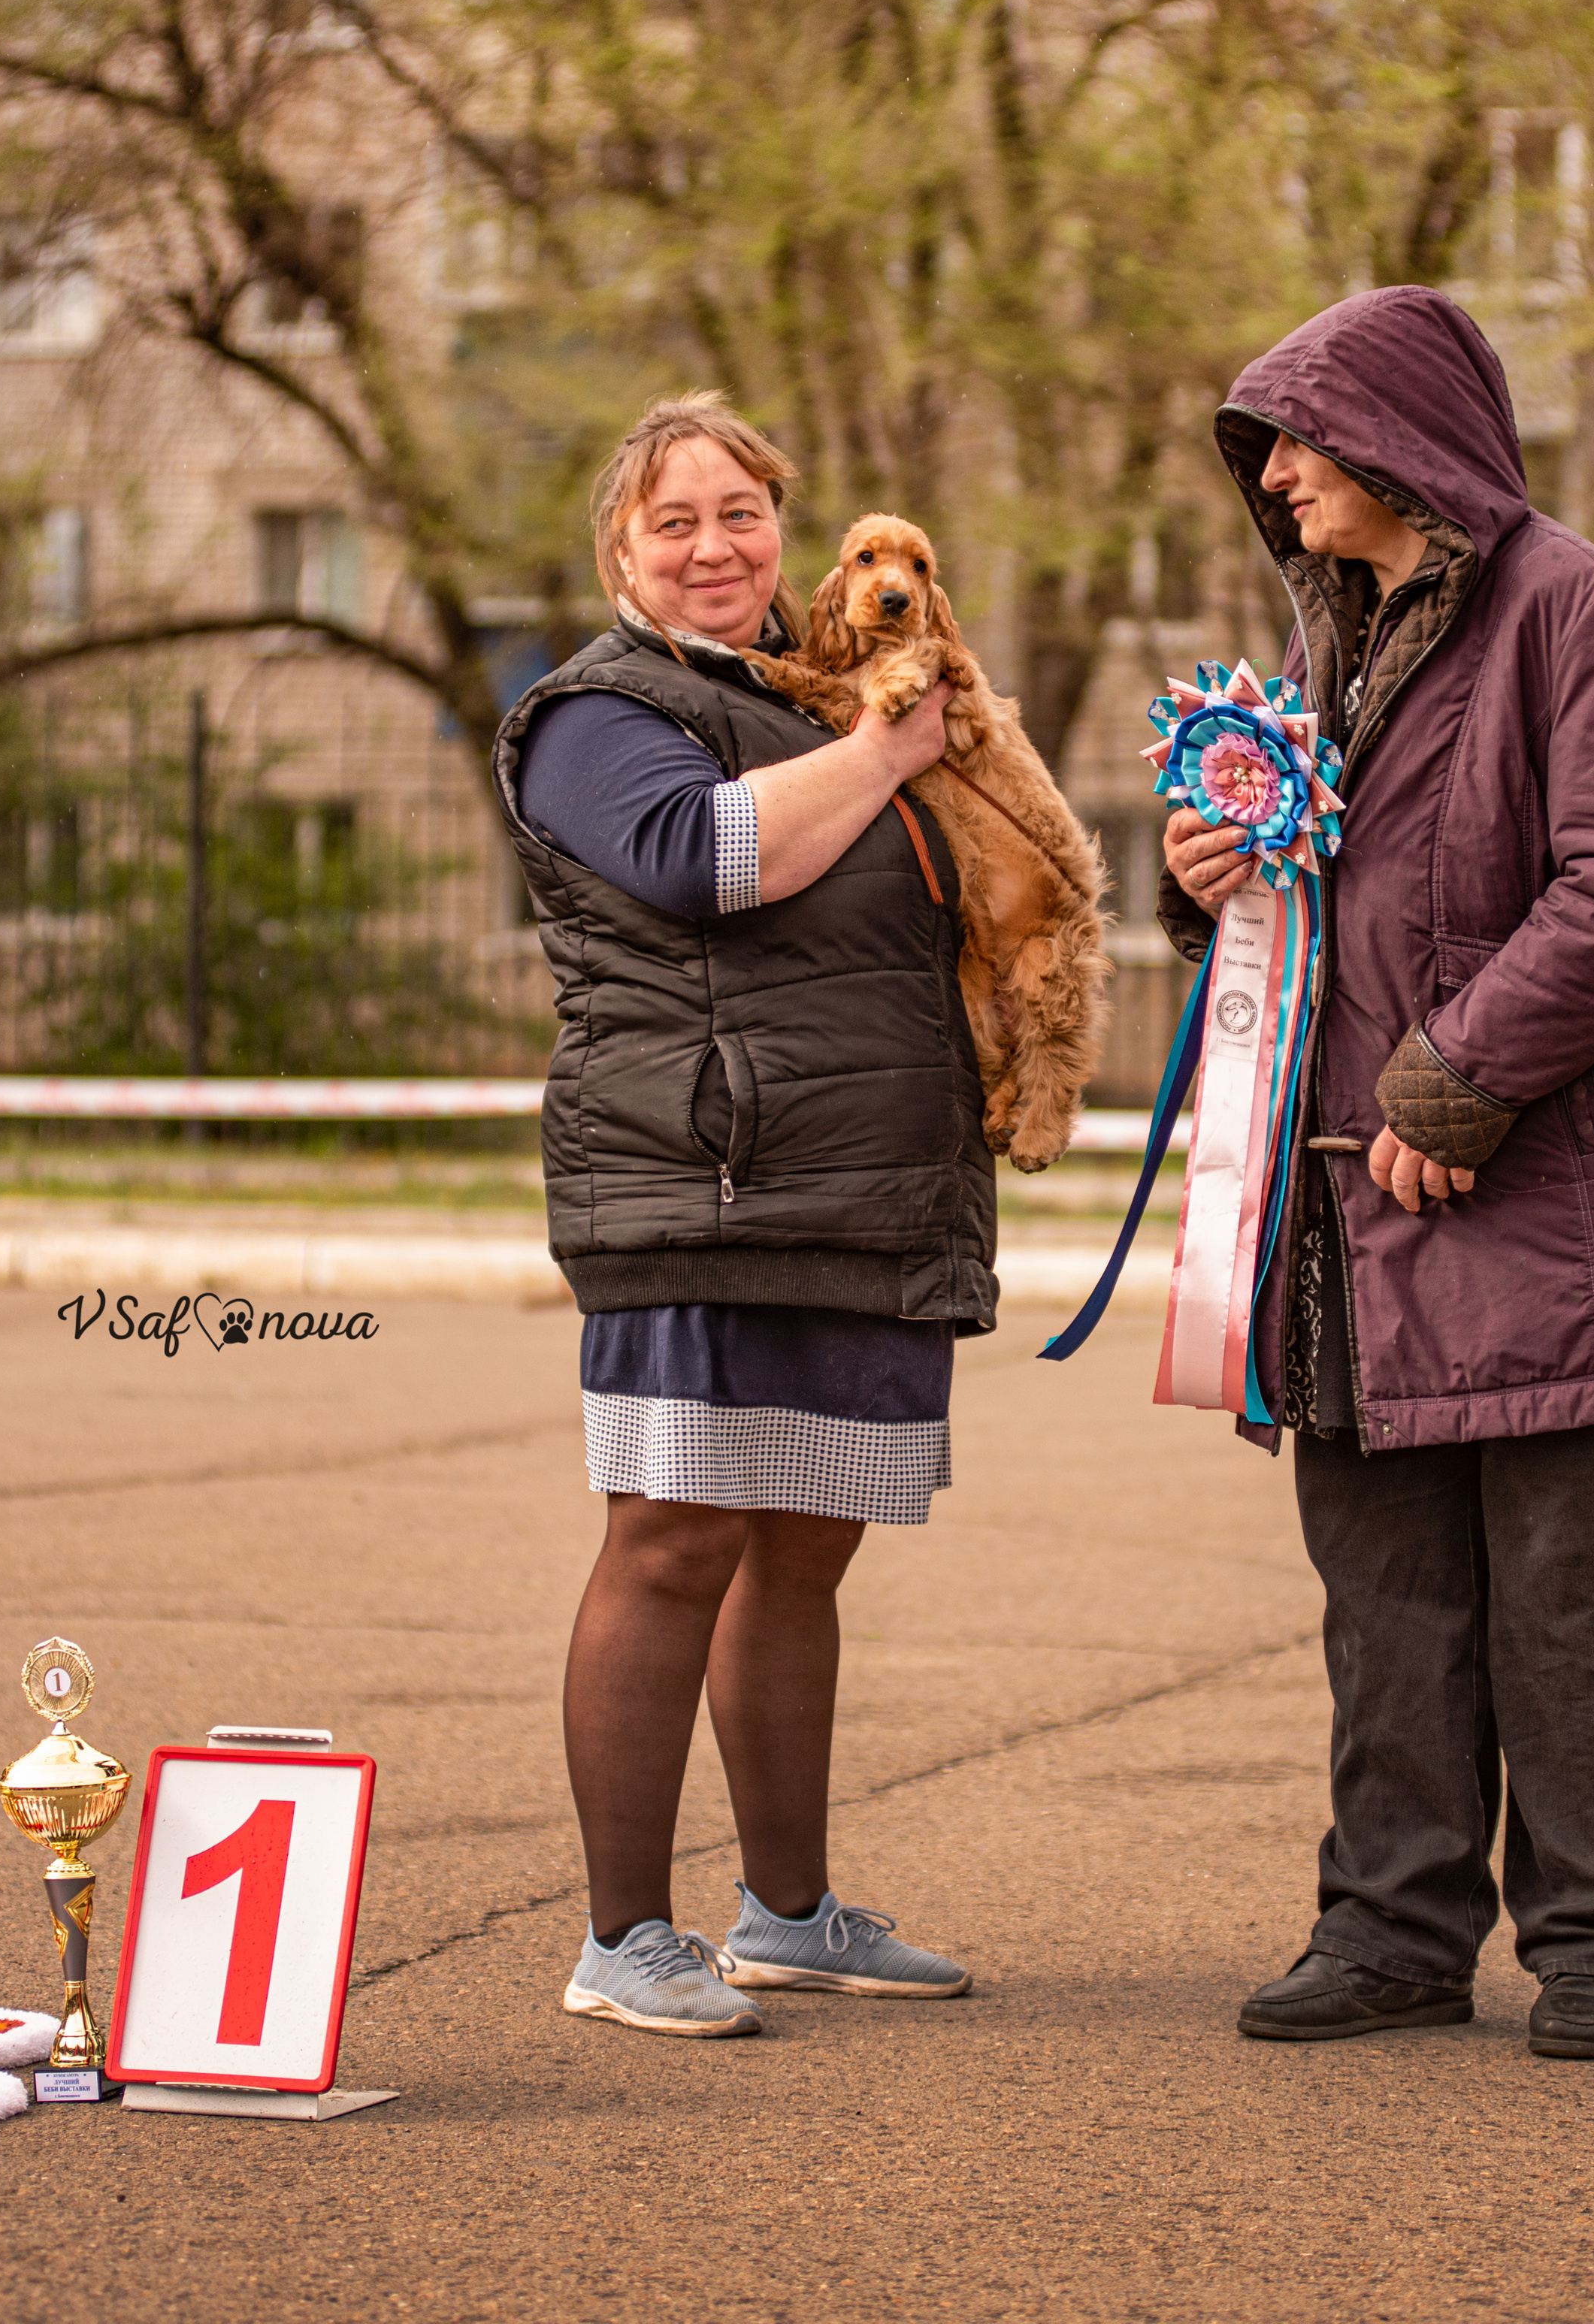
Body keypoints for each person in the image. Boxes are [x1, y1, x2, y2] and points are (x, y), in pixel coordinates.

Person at [1158, 287, 1594, 2060]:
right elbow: (1348, 897)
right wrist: (1210, 880)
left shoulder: (1576, 612)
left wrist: (1457, 1078)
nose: (1273, 477)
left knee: (1580, 1600)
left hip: (1572, 1211)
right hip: (1368, 1214)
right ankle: (1389, 1927)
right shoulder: (1330, 638)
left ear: (1397, 442)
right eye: (1262, 452)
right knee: (1387, 1596)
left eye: (1296, 442)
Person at [492, 391, 991, 2036]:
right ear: (620, 552)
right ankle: (622, 1938)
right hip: (695, 1184)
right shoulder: (596, 709)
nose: (714, 547)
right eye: (674, 521)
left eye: (742, 513)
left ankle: (788, 1914)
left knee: (806, 1548)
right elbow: (705, 861)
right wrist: (885, 752)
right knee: (673, 1541)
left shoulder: (811, 695)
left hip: (861, 1185)